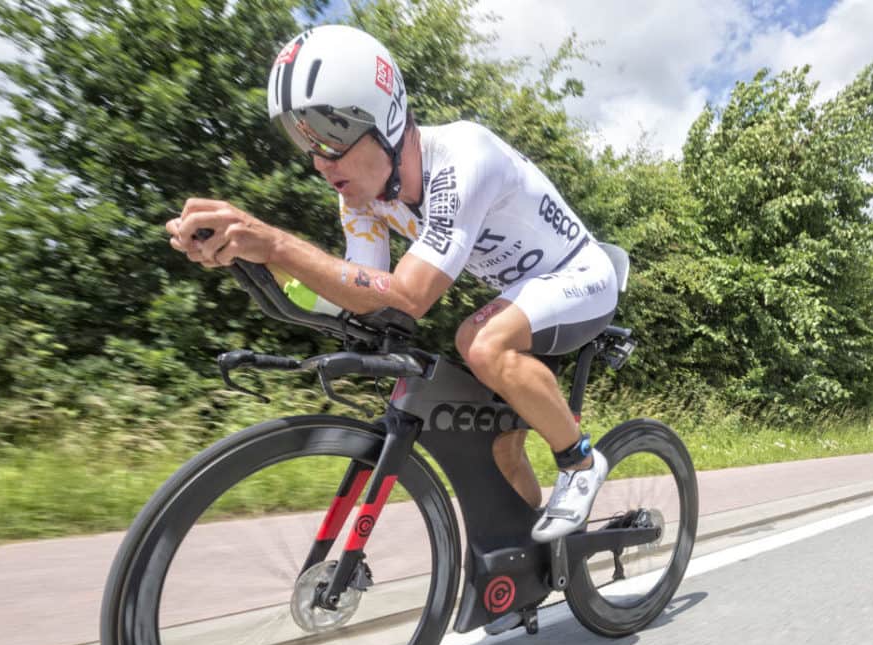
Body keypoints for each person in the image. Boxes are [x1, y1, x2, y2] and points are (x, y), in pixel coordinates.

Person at [165, 25, 616, 542]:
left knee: (477, 342)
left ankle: (580, 462)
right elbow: (364, 296)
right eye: (301, 136)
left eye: (328, 134)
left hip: (582, 276)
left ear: (387, 121)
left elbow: (409, 296)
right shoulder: (361, 196)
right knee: (498, 440)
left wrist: (275, 243)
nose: (317, 160)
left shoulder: (463, 158)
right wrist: (252, 260)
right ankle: (532, 563)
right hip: (525, 296)